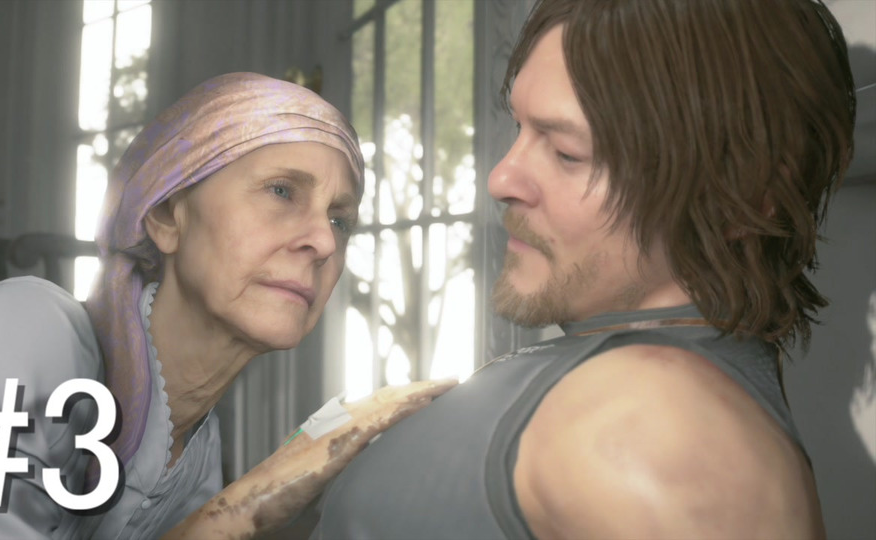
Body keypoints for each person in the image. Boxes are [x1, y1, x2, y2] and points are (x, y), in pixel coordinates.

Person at [311, 0, 856, 538]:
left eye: (568, 153)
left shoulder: (664, 435)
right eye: (520, 128)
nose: (501, 178)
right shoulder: (640, 388)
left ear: (742, 196)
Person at [0, 72, 455, 539]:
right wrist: (249, 503)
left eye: (340, 219)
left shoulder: (198, 457)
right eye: (281, 191)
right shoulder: (23, 330)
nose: (324, 241)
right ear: (167, 215)